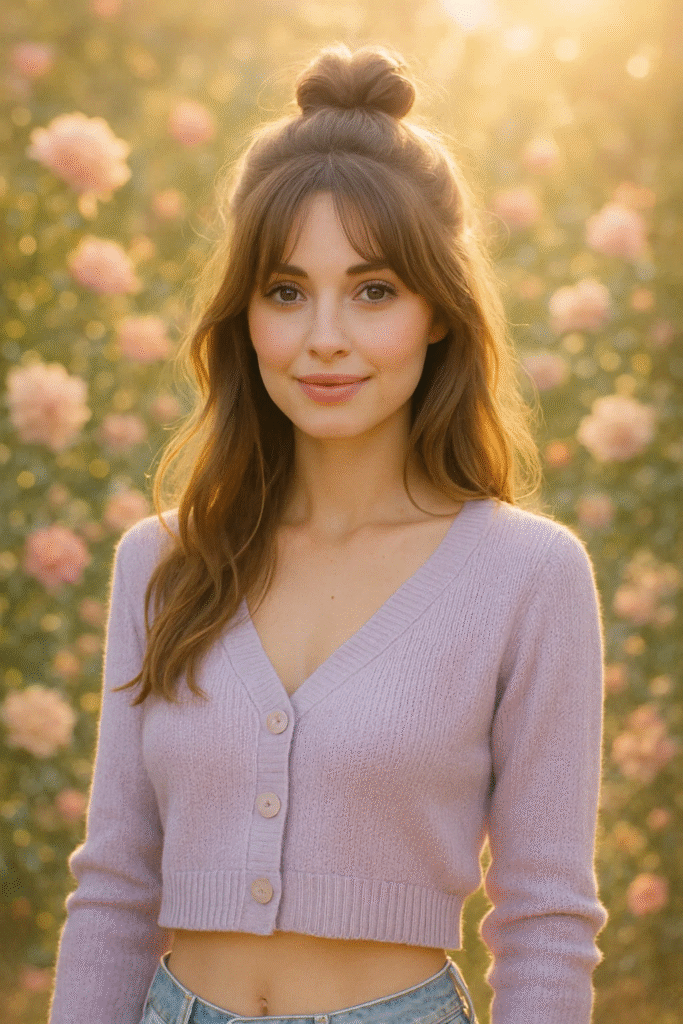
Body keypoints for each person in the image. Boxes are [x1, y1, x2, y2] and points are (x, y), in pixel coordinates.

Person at [47, 41, 608, 1024]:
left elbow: (545, 920)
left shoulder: (526, 577)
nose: (324, 339)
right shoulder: (163, 562)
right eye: (286, 290)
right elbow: (115, 887)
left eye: (374, 289)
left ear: (438, 310)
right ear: (246, 313)